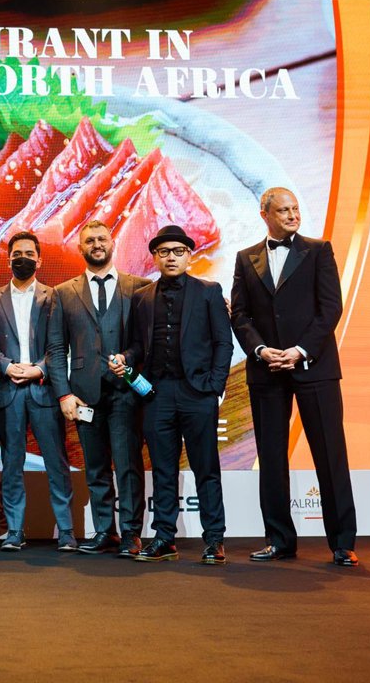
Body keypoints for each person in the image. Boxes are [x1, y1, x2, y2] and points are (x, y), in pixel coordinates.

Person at [230, 187, 359, 567]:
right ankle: (279, 540)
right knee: (271, 459)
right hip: (266, 369)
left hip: (314, 367)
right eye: (284, 210)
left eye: (295, 209)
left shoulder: (319, 251)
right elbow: (240, 314)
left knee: (330, 455)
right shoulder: (245, 258)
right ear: (265, 215)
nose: (292, 215)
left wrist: (300, 350)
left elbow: (330, 308)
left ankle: (342, 543)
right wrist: (260, 350)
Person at [111, 225, 233, 565]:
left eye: (178, 251)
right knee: (163, 470)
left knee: (206, 468)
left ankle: (214, 539)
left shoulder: (209, 292)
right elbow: (138, 345)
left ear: (189, 255)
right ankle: (164, 538)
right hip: (157, 394)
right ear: (155, 257)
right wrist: (126, 358)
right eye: (164, 252)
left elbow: (224, 343)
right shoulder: (142, 298)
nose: (171, 257)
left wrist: (214, 386)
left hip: (198, 392)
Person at [46, 220, 150, 558]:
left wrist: (129, 358)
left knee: (128, 465)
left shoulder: (139, 287)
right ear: (80, 248)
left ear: (112, 242)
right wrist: (64, 393)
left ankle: (131, 533)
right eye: (89, 240)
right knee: (95, 467)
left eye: (102, 238)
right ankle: (105, 531)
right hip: (84, 395)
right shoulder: (64, 292)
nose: (96, 244)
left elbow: (144, 342)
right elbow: (56, 349)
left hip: (125, 392)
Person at [0, 231, 76, 552]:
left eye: (28, 254)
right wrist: (6, 366)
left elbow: (60, 343)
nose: (22, 259)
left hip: (43, 388)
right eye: (16, 254)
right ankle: (14, 531)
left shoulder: (55, 296)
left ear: (39, 261)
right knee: (11, 463)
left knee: (56, 462)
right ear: (8, 259)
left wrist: (40, 368)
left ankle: (66, 531)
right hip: (9, 390)